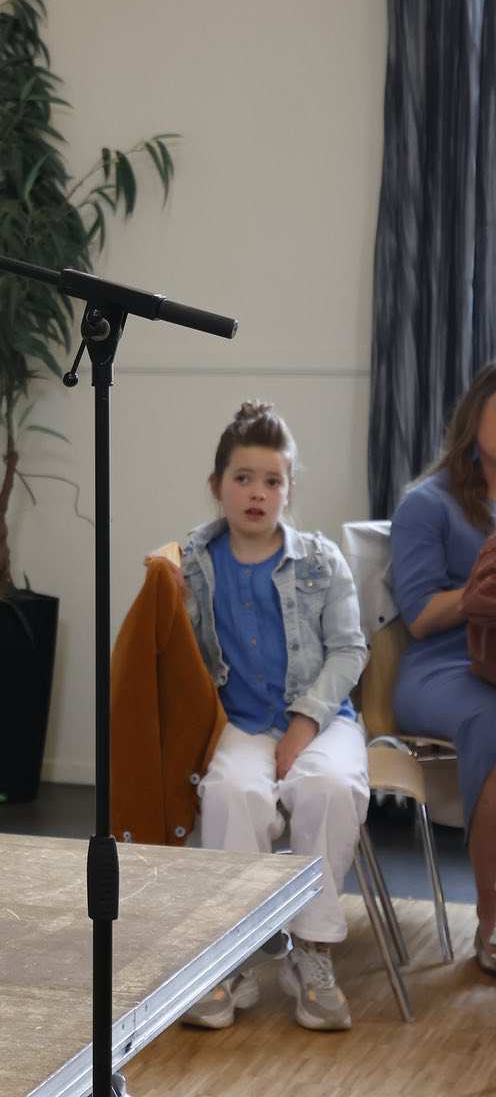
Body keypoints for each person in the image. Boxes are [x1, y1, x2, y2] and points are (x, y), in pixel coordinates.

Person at [177, 402, 368, 1032]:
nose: (257, 493)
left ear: (288, 490)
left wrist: (306, 722)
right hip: (239, 720)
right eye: (243, 478)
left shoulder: (321, 560)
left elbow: (349, 649)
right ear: (217, 486)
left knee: (330, 786)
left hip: (322, 717)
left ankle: (310, 952)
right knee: (232, 792)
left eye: (272, 481)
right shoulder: (192, 563)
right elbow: (174, 649)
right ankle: (229, 958)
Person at [391, 362, 496, 973]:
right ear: (474, 415)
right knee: (492, 719)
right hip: (442, 667)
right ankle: (492, 917)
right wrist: (476, 595)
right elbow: (419, 616)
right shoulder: (427, 504)